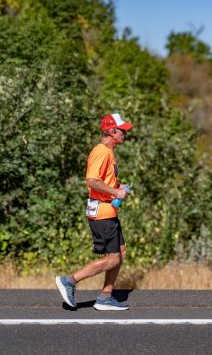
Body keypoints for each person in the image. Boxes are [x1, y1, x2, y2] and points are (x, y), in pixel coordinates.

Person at [55, 113, 133, 311]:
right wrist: (115, 191)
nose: (125, 133)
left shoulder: (108, 152)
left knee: (120, 252)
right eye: (122, 130)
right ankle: (70, 281)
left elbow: (101, 181)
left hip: (108, 210)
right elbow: (91, 181)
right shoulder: (102, 152)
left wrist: (117, 186)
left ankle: (105, 296)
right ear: (111, 131)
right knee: (112, 258)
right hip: (102, 213)